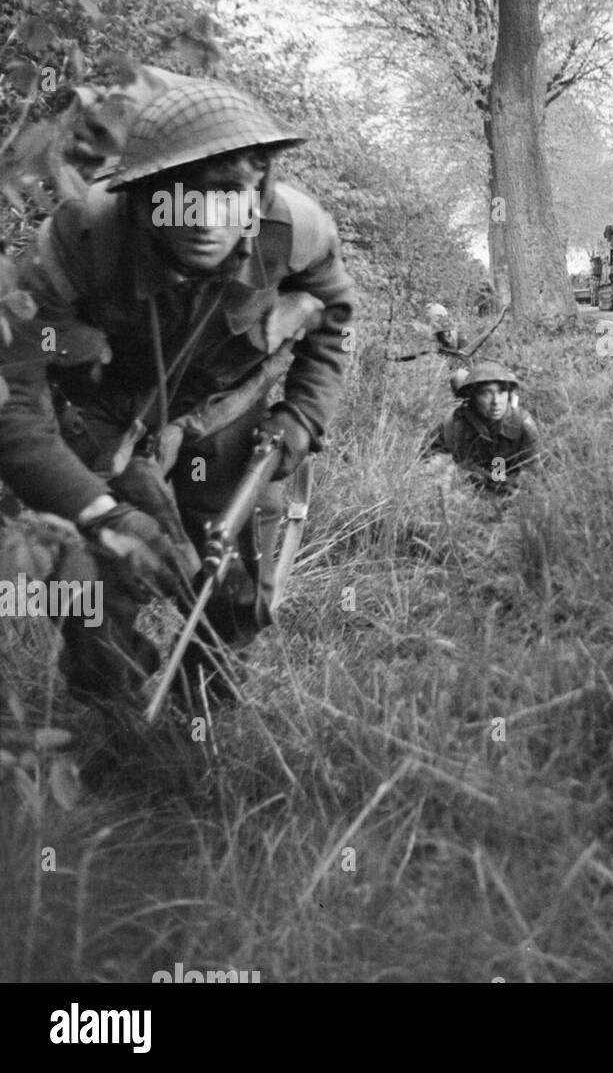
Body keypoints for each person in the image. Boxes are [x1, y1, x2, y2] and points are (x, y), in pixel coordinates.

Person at [0, 75, 355, 711]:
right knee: (96, 592)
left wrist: (301, 414)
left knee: (236, 588)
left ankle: (195, 719)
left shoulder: (295, 230)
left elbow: (333, 320)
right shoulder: (78, 241)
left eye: (226, 196)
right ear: (140, 198)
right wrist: (102, 516)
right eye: (179, 197)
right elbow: (14, 405)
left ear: (260, 189)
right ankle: (111, 723)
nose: (202, 221)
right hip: (105, 417)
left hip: (226, 412)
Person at [422, 360, 539, 492]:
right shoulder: (453, 424)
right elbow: (427, 462)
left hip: (509, 494)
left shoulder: (523, 424)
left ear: (509, 394)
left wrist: (514, 484)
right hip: (462, 496)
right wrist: (461, 475)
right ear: (472, 397)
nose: (496, 401)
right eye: (486, 393)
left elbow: (532, 471)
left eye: (501, 392)